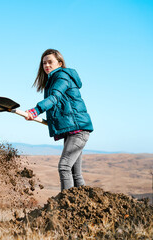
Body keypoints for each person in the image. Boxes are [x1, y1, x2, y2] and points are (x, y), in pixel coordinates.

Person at [25, 49, 93, 191]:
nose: (46, 65)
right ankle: (83, 204)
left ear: (60, 63)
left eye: (50, 62)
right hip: (74, 130)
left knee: (64, 167)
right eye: (44, 63)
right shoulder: (53, 81)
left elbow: (54, 98)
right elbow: (60, 108)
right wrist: (42, 118)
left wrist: (35, 110)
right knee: (76, 174)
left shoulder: (62, 76)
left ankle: (66, 207)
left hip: (78, 130)